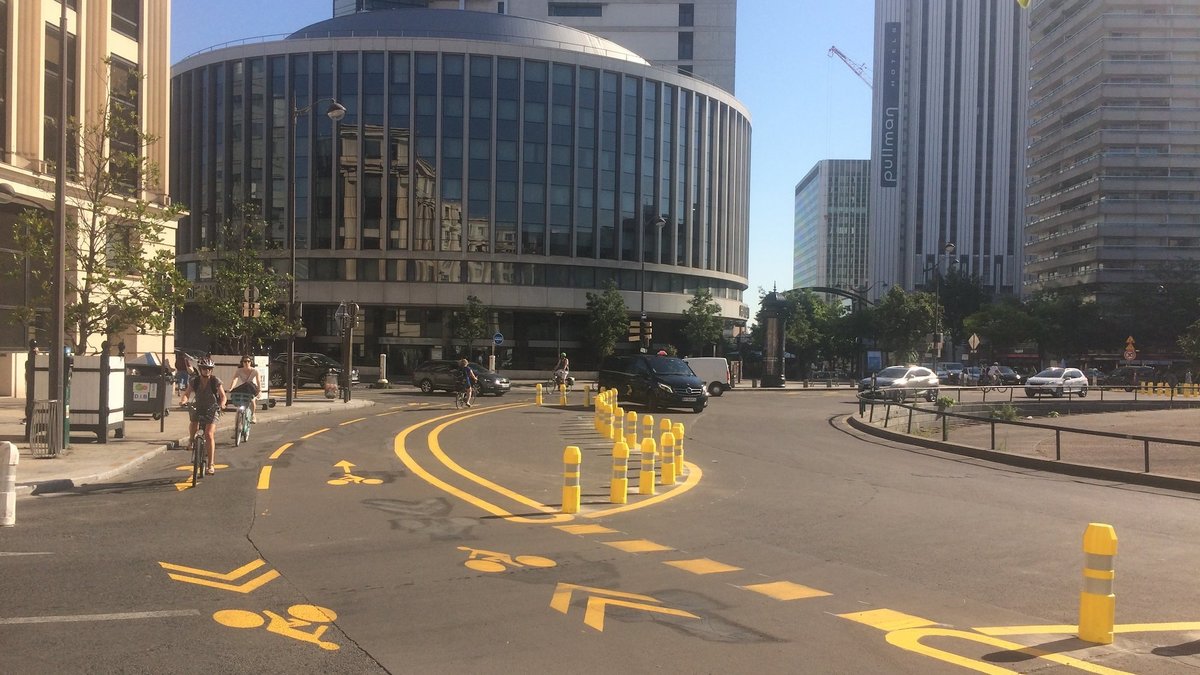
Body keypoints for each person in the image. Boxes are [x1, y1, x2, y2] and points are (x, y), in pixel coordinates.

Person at [180, 357, 227, 475]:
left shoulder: (215, 381)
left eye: (209, 369)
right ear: (200, 369)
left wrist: (222, 404)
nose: (207, 371)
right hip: (198, 406)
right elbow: (186, 394)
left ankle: (211, 464)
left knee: (209, 434)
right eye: (204, 368)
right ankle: (191, 441)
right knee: (193, 422)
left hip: (212, 408)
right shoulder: (194, 381)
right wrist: (184, 401)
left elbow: (223, 396)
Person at [229, 356, 261, 423]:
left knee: (252, 400)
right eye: (245, 361)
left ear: (251, 362)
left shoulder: (255, 371)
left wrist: (259, 390)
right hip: (245, 387)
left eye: (248, 361)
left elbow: (258, 381)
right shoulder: (239, 370)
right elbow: (235, 379)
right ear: (242, 363)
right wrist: (231, 387)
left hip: (252, 388)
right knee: (237, 393)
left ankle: (253, 415)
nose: (247, 363)